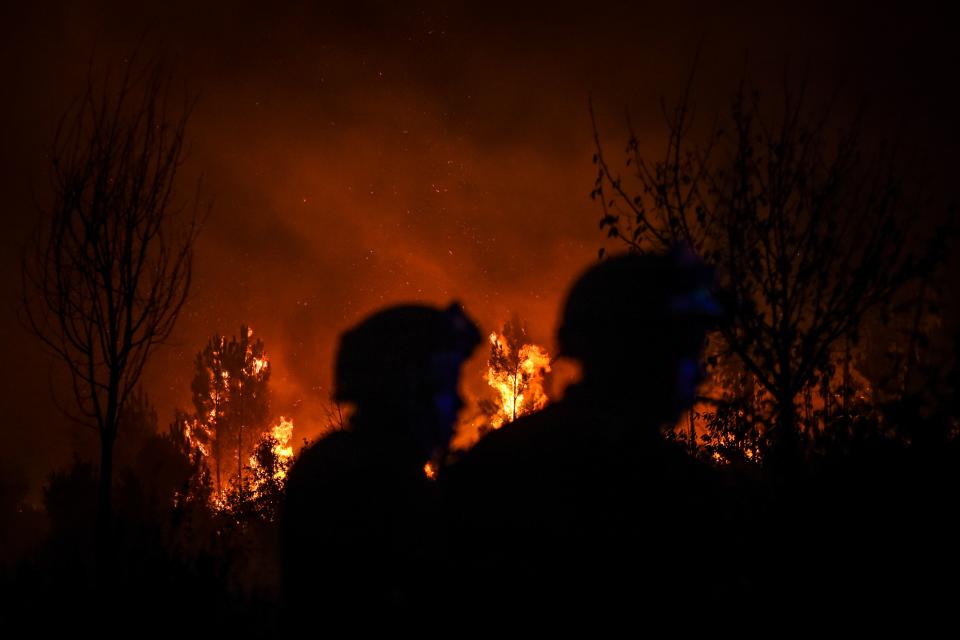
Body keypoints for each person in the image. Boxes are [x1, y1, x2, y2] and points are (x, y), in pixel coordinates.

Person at [443, 249, 728, 620]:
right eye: (685, 350)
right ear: (642, 353)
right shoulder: (682, 493)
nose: (699, 373)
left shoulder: (493, 466)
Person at [280, 303, 480, 624]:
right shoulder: (380, 486)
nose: (460, 402)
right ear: (407, 389)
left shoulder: (334, 464)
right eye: (445, 386)